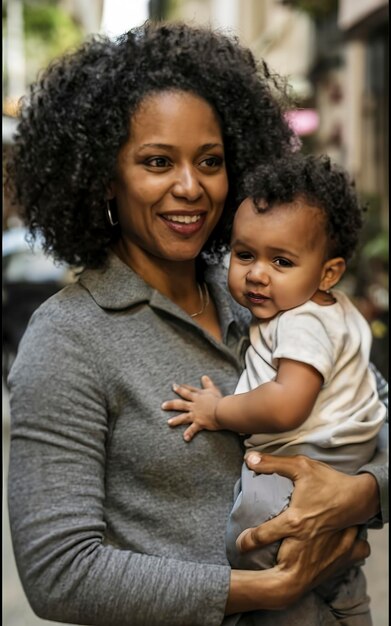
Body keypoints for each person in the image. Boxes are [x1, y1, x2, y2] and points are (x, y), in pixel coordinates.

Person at [5, 21, 387, 626]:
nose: (190, 187)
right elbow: (59, 572)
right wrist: (264, 589)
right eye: (158, 162)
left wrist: (361, 491)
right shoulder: (69, 339)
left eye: (210, 161)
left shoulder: (263, 290)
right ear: (105, 176)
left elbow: (376, 412)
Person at [162, 153, 387, 624]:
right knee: (327, 564)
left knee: (252, 534)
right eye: (245, 255)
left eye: (281, 261)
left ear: (328, 272)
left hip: (311, 457)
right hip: (345, 455)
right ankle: (336, 600)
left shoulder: (302, 323)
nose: (257, 274)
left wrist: (218, 411)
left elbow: (286, 405)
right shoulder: (325, 309)